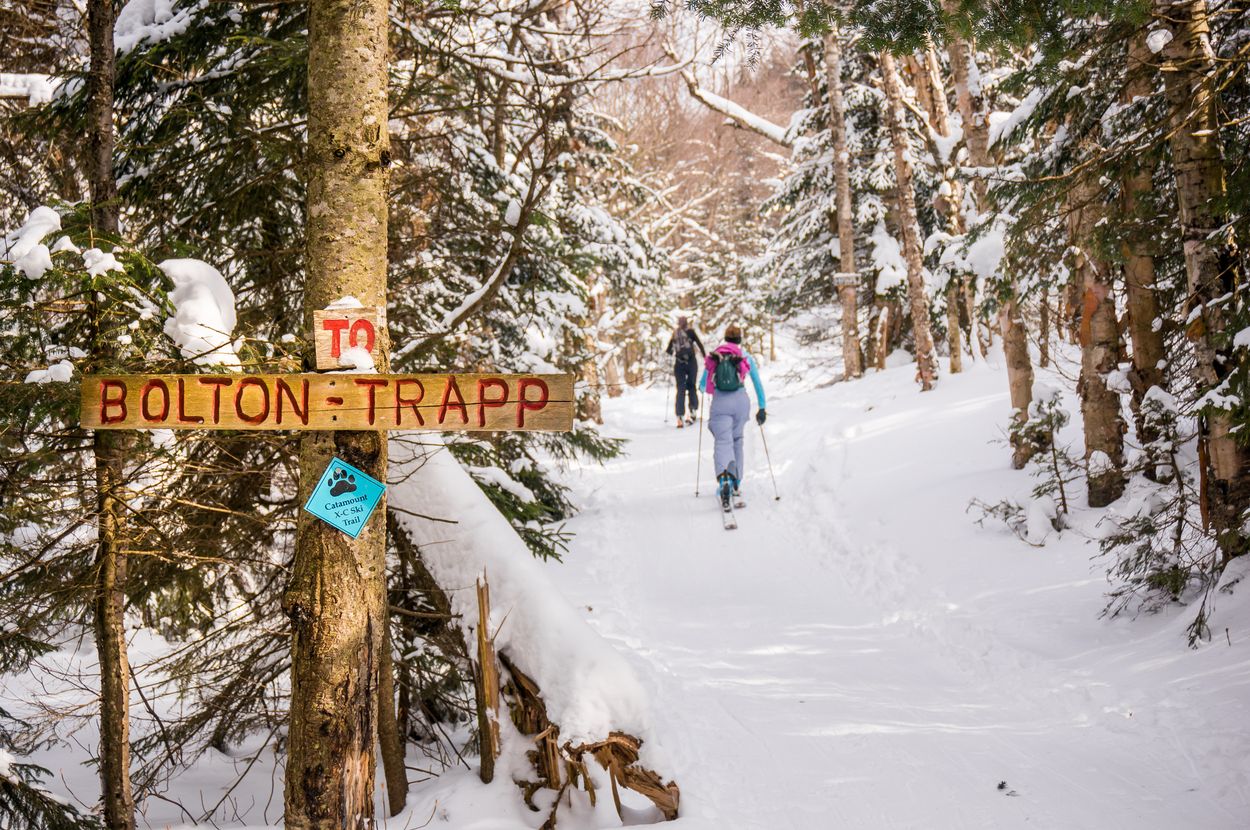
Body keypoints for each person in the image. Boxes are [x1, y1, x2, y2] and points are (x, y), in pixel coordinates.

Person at [700, 324, 766, 509]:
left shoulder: (716, 356)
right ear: (740, 339)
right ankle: (736, 481)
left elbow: (703, 386)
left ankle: (724, 482)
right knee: (737, 440)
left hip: (721, 404)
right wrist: (762, 407)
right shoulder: (745, 357)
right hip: (741, 403)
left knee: (723, 442)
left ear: (725, 338)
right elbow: (758, 385)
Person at [665, 316, 706, 428]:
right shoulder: (691, 332)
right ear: (686, 323)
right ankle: (692, 411)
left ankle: (679, 416)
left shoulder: (675, 334)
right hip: (691, 362)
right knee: (692, 386)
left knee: (681, 389)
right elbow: (699, 344)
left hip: (679, 364)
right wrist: (706, 357)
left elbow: (669, 350)